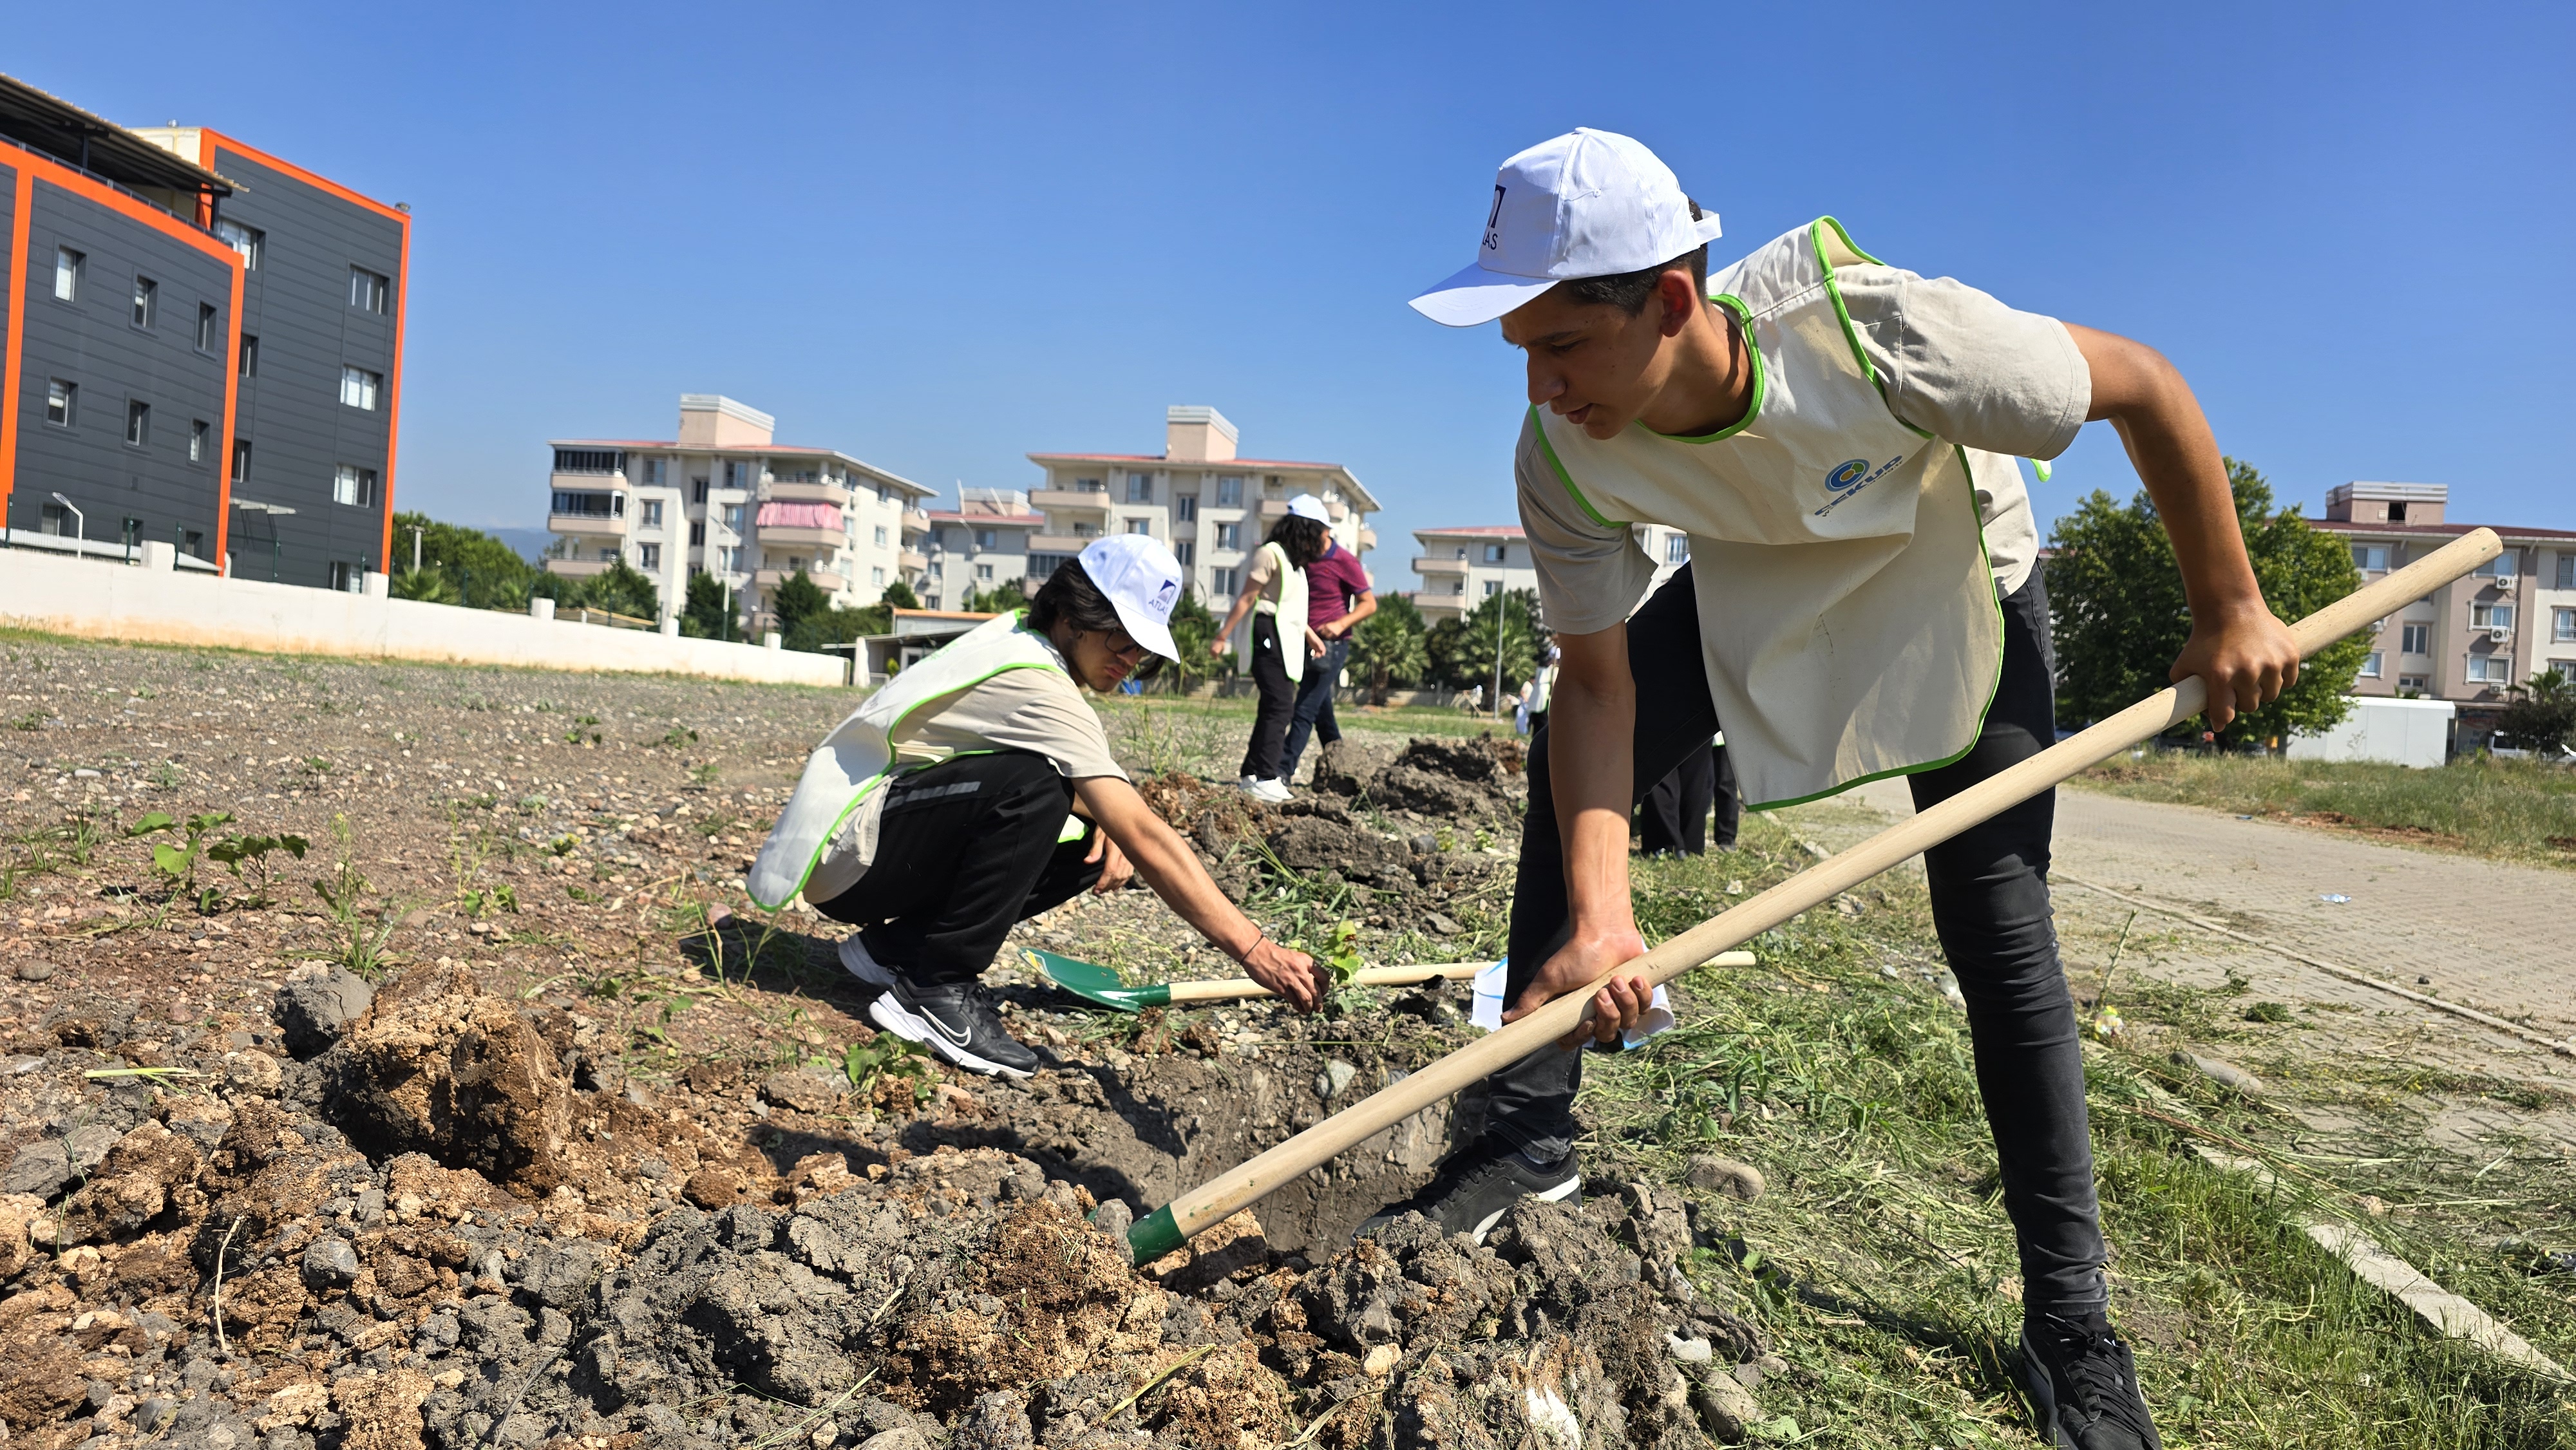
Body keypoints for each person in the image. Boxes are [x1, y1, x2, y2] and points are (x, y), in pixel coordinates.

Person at [1368, 129, 2302, 1450]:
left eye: (1561, 344)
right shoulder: (1562, 445)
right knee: (1564, 783)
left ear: (1672, 303)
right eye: (1518, 346)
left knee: (1994, 916)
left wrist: (2229, 606)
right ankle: (1522, 1130)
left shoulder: (1886, 334)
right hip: (1762, 569)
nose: (1539, 382)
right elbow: (1593, 690)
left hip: (1942, 562)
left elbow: (2140, 383)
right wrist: (1602, 910)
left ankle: (2070, 1322)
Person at [746, 535, 1324, 1078]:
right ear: (1074, 617)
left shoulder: (1022, 640)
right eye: (1121, 638)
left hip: (876, 844)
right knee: (1038, 789)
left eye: (1144, 650)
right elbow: (1146, 832)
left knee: (1082, 836)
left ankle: (893, 951)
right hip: (851, 853)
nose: (1130, 660)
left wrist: (1104, 822)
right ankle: (936, 989)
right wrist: (1256, 950)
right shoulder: (1036, 680)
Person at [1213, 507, 1330, 803]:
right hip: (1266, 632)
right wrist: (1222, 636)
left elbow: (1294, 612)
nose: (1324, 541)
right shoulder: (1269, 554)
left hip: (1287, 637)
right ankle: (1267, 776)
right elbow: (1248, 597)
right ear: (1305, 530)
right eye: (1321, 533)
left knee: (1273, 705)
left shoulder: (1296, 565)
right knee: (1280, 705)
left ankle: (1252, 774)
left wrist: (1312, 637)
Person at [1280, 494, 1376, 784]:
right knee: (1321, 709)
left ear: (1322, 530)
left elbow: (1369, 603)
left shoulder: (1344, 560)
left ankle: (1283, 771)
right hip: (1302, 641)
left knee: (1305, 707)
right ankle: (1342, 768)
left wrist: (1340, 623)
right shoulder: (1300, 558)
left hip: (1332, 646)